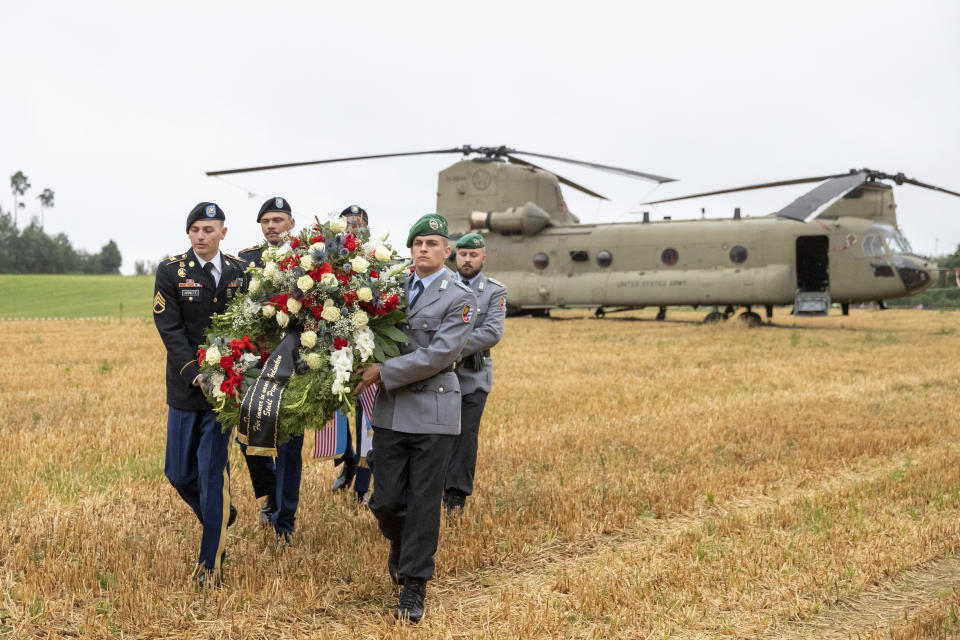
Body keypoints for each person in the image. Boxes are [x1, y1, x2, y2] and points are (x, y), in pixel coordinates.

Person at [354, 213, 477, 623]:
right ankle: (401, 542)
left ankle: (414, 585)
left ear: (447, 251)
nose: (423, 249)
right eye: (417, 243)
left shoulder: (459, 296)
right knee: (385, 500)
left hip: (433, 411)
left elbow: (440, 354)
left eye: (431, 243)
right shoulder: (390, 287)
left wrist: (382, 373)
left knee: (424, 501)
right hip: (391, 411)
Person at [153, 202, 247, 588]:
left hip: (225, 391)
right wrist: (194, 374)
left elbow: (252, 324)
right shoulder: (171, 271)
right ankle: (220, 513)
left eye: (209, 229)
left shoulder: (240, 273)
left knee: (211, 475)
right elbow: (169, 329)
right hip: (186, 387)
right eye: (195, 230)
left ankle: (211, 565)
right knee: (177, 473)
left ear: (223, 232)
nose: (201, 236)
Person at [238, 196, 303, 545]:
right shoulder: (247, 259)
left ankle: (284, 524)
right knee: (247, 437)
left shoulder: (308, 258)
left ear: (291, 223)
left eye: (278, 220)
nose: (271, 226)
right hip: (257, 362)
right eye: (265, 221)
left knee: (290, 446)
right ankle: (271, 494)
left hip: (294, 364)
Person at [443, 232, 507, 514]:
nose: (467, 260)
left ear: (483, 258)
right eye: (462, 255)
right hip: (439, 375)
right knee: (438, 434)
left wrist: (450, 349)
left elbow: (491, 332)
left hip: (472, 374)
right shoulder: (443, 285)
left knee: (465, 437)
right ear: (455, 256)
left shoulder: (495, 291)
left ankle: (456, 496)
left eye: (473, 255)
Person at [331, 205, 374, 502]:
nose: (351, 229)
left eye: (356, 225)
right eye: (346, 225)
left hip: (367, 345)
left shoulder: (376, 258)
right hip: (333, 344)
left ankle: (363, 479)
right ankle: (346, 458)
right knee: (334, 410)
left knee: (366, 414)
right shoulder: (328, 258)